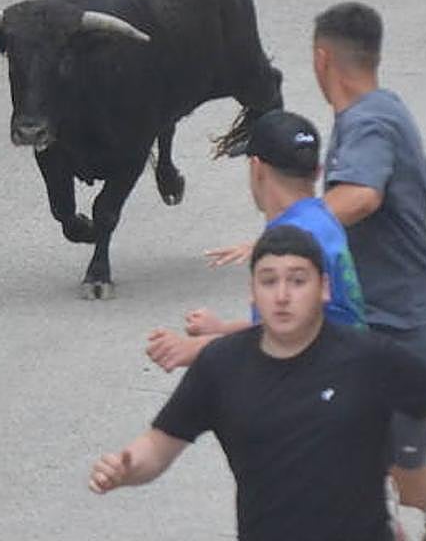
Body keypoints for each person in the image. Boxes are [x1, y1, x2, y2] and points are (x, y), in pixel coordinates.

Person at [89, 225, 426, 541]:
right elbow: (158, 447)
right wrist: (128, 468)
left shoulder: (368, 358)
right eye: (269, 281)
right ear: (252, 292)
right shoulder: (221, 366)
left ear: (324, 289)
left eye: (298, 280)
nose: (284, 294)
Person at [313, 2, 426, 539]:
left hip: (405, 330)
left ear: (321, 58)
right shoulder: (376, 111)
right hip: (362, 326)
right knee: (351, 478)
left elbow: (362, 195)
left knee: (408, 480)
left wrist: (289, 227)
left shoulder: (371, 121)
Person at [145, 109, 365, 373]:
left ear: (257, 168)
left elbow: (277, 339)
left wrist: (195, 350)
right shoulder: (322, 218)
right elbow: (285, 320)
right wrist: (223, 330)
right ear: (317, 172)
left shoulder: (288, 244)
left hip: (320, 381)